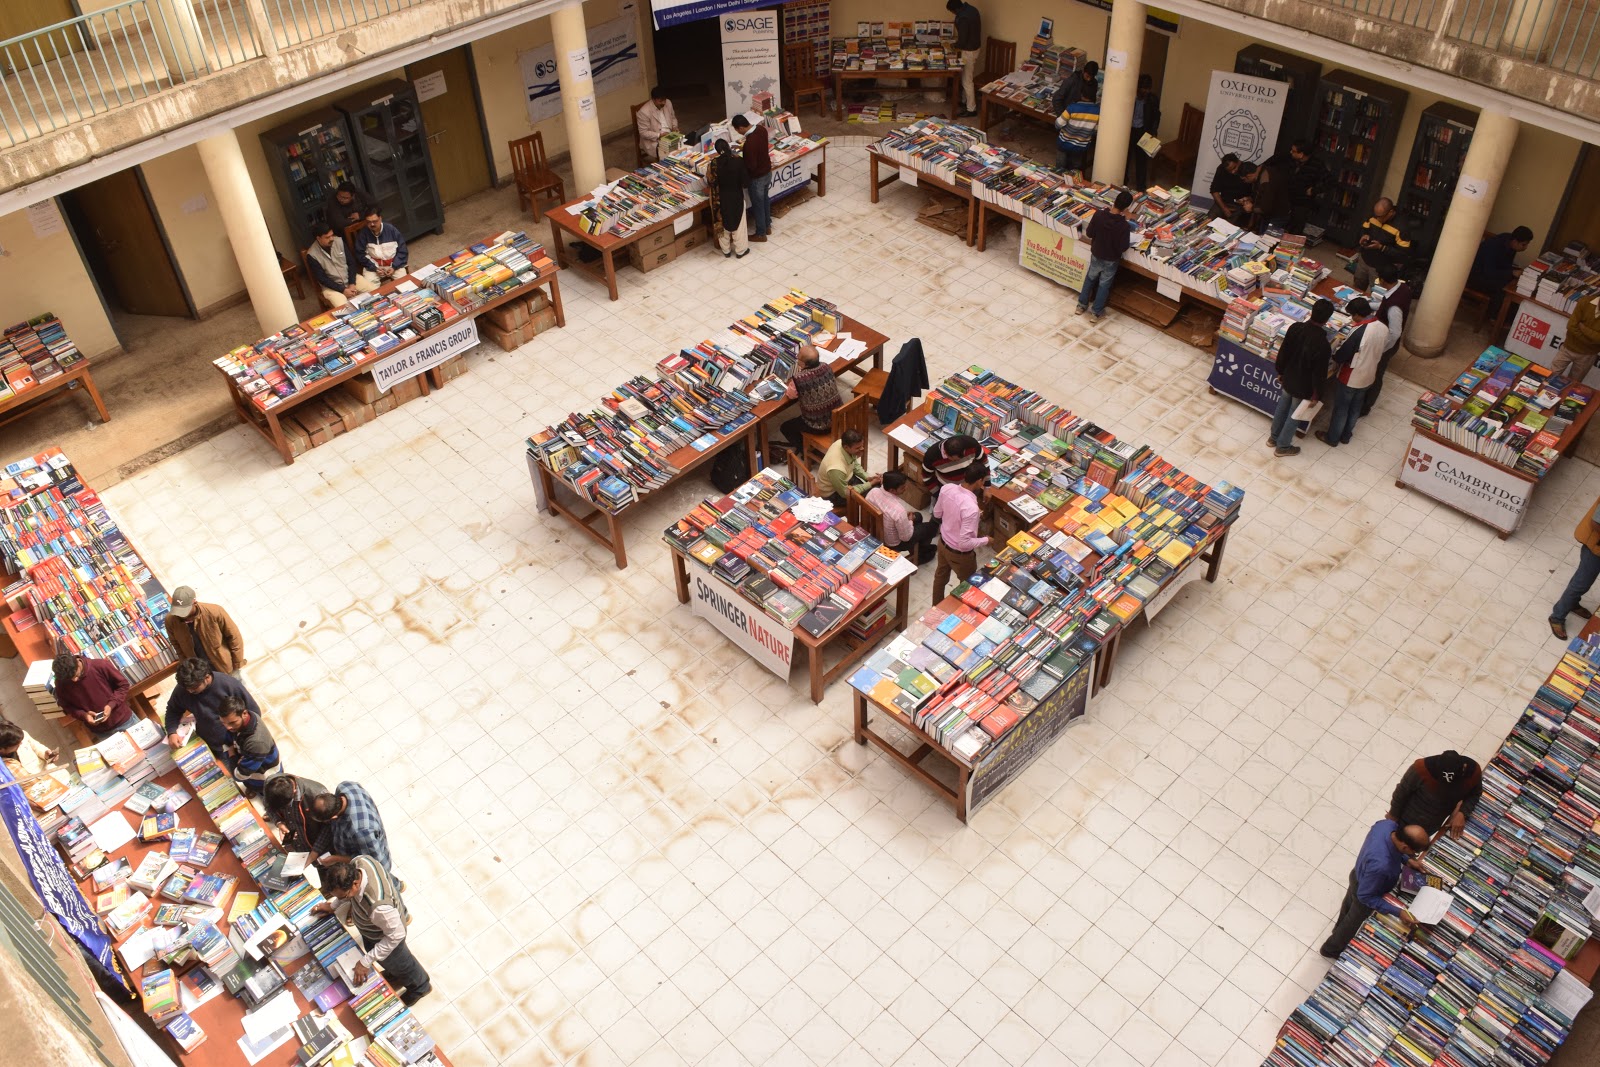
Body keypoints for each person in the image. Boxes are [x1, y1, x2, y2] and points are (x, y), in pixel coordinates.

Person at [313, 859, 431, 1006]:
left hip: (386, 937)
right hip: (372, 929)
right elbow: (344, 895)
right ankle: (394, 974)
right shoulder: (360, 861)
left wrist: (365, 962)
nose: (342, 899)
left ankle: (421, 987)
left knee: (403, 964)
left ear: (355, 884)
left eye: (343, 896)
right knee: (390, 963)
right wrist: (333, 905)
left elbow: (396, 935)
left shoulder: (379, 908)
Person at [1319, 819, 1430, 958]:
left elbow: (1392, 846)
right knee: (1352, 923)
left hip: (1358, 873)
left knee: (1348, 904)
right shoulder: (1382, 866)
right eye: (1414, 852)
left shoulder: (1387, 826)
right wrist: (1398, 912)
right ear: (1405, 847)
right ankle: (1331, 949)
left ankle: (1337, 929)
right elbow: (1365, 897)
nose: (1415, 855)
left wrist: (1406, 859)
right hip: (1369, 889)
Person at [1269, 298, 1334, 457]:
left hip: (1288, 378)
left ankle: (1273, 438)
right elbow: (1319, 374)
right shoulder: (1323, 344)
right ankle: (1283, 447)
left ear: (1311, 312)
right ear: (1327, 320)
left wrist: (1281, 371)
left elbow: (1284, 352)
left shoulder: (1295, 328)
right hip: (1304, 386)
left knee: (1282, 407)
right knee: (1294, 415)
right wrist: (1317, 394)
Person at [1317, 298, 1386, 448]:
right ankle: (1346, 435)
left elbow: (1343, 355)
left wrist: (1334, 355)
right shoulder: (1382, 327)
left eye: (1352, 315)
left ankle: (1332, 437)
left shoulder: (1358, 332)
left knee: (1342, 408)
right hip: (1369, 374)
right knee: (1356, 406)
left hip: (1352, 376)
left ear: (1357, 314)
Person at [164, 657, 260, 758]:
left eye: (195, 688)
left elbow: (254, 713)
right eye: (187, 689)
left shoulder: (229, 684)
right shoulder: (184, 688)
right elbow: (172, 711)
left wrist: (241, 741)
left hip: (239, 745)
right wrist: (172, 732)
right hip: (212, 745)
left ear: (207, 677)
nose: (190, 692)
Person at [1388, 751, 1483, 839]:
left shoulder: (1473, 772)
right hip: (1405, 820)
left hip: (1431, 828)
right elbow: (1401, 792)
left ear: (1464, 767)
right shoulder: (1420, 768)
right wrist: (1392, 818)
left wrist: (1462, 813)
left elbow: (1475, 794)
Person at [310, 782, 395, 876]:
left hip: (376, 865)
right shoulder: (345, 787)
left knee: (387, 879)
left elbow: (370, 862)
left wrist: (336, 859)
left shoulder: (361, 831)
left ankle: (399, 885)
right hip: (355, 848)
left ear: (333, 817)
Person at [931, 466, 989, 603]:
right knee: (968, 584)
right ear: (979, 481)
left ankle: (936, 605)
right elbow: (964, 543)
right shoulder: (971, 509)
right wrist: (986, 540)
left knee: (940, 577)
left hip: (943, 543)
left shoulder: (947, 488)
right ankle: (960, 609)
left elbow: (937, 513)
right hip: (959, 554)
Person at [1360, 269, 1413, 417]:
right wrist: (1369, 305)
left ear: (1383, 280)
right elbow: (1384, 304)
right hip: (1384, 340)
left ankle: (1366, 405)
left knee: (1376, 374)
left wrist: (1381, 349)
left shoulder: (1394, 307)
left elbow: (1395, 332)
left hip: (1385, 345)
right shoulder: (1402, 288)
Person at [1075, 190, 1135, 320]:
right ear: (1126, 208)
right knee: (1104, 285)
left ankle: (1081, 306)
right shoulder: (1124, 226)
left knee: (1090, 278)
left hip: (1097, 253)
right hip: (1111, 259)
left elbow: (1090, 233)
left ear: (1114, 201)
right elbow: (1123, 247)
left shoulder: (1099, 215)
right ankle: (1096, 313)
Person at [164, 585, 245, 675]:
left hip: (225, 667)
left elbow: (234, 637)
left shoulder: (215, 611)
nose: (181, 615)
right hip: (200, 675)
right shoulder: (170, 620)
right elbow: (177, 646)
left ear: (194, 602)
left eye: (184, 610)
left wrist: (237, 664)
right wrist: (188, 668)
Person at [1550, 494, 1600, 639]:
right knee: (1581, 584)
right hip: (1595, 549)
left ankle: (1572, 603)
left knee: (1582, 583)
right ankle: (1557, 617)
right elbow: (1596, 523)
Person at [778, 342, 842, 453]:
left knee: (785, 427)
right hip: (837, 418)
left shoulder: (799, 378)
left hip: (817, 425)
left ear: (802, 363)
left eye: (798, 357)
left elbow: (791, 395)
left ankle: (807, 451)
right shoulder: (826, 367)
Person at [52, 652, 134, 737]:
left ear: (78, 662)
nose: (75, 680)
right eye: (70, 679)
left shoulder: (100, 665)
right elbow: (67, 706)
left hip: (125, 721)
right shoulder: (61, 682)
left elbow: (123, 685)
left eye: (76, 675)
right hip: (101, 732)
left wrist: (111, 705)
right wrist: (84, 715)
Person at [867, 472, 939, 564]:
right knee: (930, 528)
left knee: (918, 516)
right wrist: (910, 521)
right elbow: (906, 537)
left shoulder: (873, 492)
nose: (905, 489)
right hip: (893, 543)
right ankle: (922, 554)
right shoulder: (898, 511)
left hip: (875, 531)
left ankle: (921, 550)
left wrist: (907, 520)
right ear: (892, 490)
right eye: (902, 488)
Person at [218, 696, 281, 796]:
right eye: (223, 723)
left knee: (267, 792)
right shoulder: (249, 718)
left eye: (232, 722)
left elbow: (240, 775)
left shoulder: (256, 743)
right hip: (253, 764)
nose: (228, 727)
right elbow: (229, 739)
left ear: (244, 713)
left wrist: (231, 754)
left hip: (265, 776)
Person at [1467, 226, 1533, 318]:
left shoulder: (1510, 243)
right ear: (1515, 241)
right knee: (1505, 289)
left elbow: (1504, 266)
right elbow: (1489, 271)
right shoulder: (1494, 246)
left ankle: (1505, 316)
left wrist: (1514, 272)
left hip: (1491, 273)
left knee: (1515, 284)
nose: (1525, 247)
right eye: (1523, 244)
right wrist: (1512, 273)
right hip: (1476, 276)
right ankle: (1495, 317)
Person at [306, 223, 376, 307]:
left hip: (350, 278)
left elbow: (351, 263)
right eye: (327, 237)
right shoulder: (312, 255)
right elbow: (322, 279)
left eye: (332, 235)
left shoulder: (339, 241)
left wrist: (352, 283)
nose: (331, 239)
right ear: (318, 238)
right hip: (332, 287)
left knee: (375, 292)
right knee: (344, 307)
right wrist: (342, 289)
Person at [1352, 198, 1409, 290]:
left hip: (1381, 268)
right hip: (1364, 259)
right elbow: (1363, 229)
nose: (1377, 218)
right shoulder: (1374, 215)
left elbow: (1402, 254)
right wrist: (1363, 235)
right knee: (1356, 288)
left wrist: (1381, 247)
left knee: (1376, 294)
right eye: (1376, 215)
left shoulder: (1402, 228)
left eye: (1381, 216)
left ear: (1390, 212)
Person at [263, 773, 329, 853]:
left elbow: (328, 828)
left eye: (284, 807)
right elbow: (268, 806)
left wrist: (315, 852)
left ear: (294, 792)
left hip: (313, 844)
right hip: (292, 840)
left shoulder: (319, 796)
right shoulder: (270, 784)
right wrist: (279, 823)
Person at [732, 115, 772, 243]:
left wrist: (740, 159)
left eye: (737, 130)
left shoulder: (750, 143)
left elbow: (751, 166)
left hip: (757, 178)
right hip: (767, 172)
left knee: (758, 205)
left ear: (742, 127)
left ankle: (761, 234)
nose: (738, 133)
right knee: (765, 199)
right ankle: (767, 225)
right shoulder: (761, 129)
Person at [709, 139, 750, 260]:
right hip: (736, 196)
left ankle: (726, 250)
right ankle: (741, 250)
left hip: (720, 198)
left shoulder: (714, 163)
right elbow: (746, 182)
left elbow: (711, 181)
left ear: (717, 151)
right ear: (728, 146)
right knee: (739, 223)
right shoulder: (738, 161)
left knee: (722, 223)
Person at [816, 430, 878, 508]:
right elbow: (845, 493)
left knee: (875, 488)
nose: (862, 449)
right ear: (846, 447)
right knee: (871, 496)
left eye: (862, 445)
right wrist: (870, 484)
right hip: (833, 494)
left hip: (846, 480)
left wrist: (867, 477)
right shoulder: (836, 468)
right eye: (858, 448)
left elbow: (854, 464)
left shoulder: (840, 443)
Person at [1276, 140, 1327, 234]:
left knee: (1296, 229)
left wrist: (1314, 190)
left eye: (1294, 151)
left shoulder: (1317, 165)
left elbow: (1329, 182)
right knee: (1279, 225)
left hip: (1302, 202)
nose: (1291, 152)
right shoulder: (1289, 159)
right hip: (1285, 198)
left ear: (1301, 154)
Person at [1553, 291, 1600, 385]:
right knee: (1551, 375)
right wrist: (1591, 340)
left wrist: (1584, 328)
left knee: (1573, 384)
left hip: (1588, 355)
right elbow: (1571, 326)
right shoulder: (1585, 302)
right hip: (1568, 348)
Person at [352, 209, 408, 287]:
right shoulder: (363, 234)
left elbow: (402, 250)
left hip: (394, 265)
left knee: (405, 285)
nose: (372, 224)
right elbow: (360, 255)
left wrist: (394, 267)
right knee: (370, 291)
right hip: (372, 267)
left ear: (380, 218)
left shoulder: (391, 230)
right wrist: (375, 268)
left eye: (375, 221)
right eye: (368, 222)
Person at [946, 0, 982, 117]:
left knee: (967, 80)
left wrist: (952, 45)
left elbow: (962, 41)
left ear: (955, 10)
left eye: (952, 12)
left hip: (969, 51)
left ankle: (971, 109)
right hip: (975, 47)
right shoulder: (972, 9)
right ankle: (964, 101)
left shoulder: (963, 18)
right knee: (967, 77)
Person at [1053, 85, 1099, 174]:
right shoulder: (1098, 111)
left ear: (1081, 94)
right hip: (1081, 146)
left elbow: (1058, 124)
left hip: (1064, 143)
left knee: (1060, 168)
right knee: (1075, 169)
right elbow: (1095, 131)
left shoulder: (1072, 108)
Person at [1126, 74, 1161, 190]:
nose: (1145, 92)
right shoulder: (1129, 96)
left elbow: (1156, 117)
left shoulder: (1152, 99)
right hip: (1129, 130)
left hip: (1143, 132)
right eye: (1143, 89)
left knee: (1141, 161)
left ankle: (1141, 187)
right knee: (1125, 157)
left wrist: (1153, 132)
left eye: (1147, 89)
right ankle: (1124, 182)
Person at [921, 434, 986, 492]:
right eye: (954, 460)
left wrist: (987, 486)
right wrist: (937, 494)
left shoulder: (971, 443)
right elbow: (926, 477)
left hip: (969, 488)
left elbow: (985, 462)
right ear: (945, 453)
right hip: (946, 490)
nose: (959, 462)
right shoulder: (931, 456)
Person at [1248, 158, 1292, 234]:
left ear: (1249, 175)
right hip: (1270, 214)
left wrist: (1251, 208)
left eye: (1244, 179)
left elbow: (1265, 208)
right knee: (1263, 237)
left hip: (1278, 215)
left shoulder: (1265, 180)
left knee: (1267, 240)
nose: (1245, 182)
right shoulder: (1264, 172)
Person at [1209, 155, 1254, 225]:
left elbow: (1255, 193)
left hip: (1240, 206)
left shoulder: (1246, 169)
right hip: (1223, 203)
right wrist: (1224, 209)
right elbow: (1214, 190)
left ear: (1239, 162)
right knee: (1208, 221)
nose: (1233, 172)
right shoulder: (1221, 169)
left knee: (1230, 227)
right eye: (1229, 171)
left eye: (1234, 168)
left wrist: (1248, 200)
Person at [635, 87, 678, 161]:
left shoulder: (668, 102)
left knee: (685, 146)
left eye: (664, 100)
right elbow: (643, 133)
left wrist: (674, 127)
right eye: (660, 101)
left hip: (670, 135)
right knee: (670, 155)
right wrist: (659, 135)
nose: (663, 103)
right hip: (654, 140)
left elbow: (673, 117)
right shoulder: (643, 112)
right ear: (653, 100)